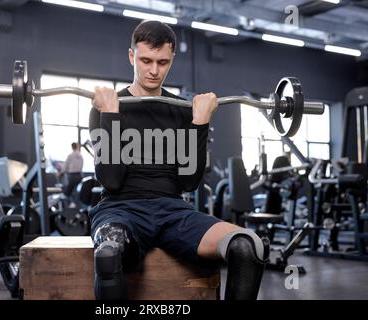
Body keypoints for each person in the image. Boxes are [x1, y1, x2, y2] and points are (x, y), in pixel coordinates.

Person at [88, 20, 269, 300]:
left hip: (172, 211)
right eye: (145, 60)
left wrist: (199, 123)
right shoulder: (107, 107)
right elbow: (111, 180)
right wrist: (111, 115)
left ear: (172, 59)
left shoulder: (182, 110)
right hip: (120, 209)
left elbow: (189, 181)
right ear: (131, 56)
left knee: (247, 246)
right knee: (109, 255)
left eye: (163, 62)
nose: (153, 70)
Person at [61, 142, 84, 208]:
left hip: (72, 176)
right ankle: (74, 204)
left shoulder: (70, 155)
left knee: (67, 192)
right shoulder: (80, 156)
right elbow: (81, 166)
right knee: (78, 191)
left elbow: (65, 166)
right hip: (79, 175)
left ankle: (69, 206)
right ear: (77, 146)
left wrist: (60, 173)